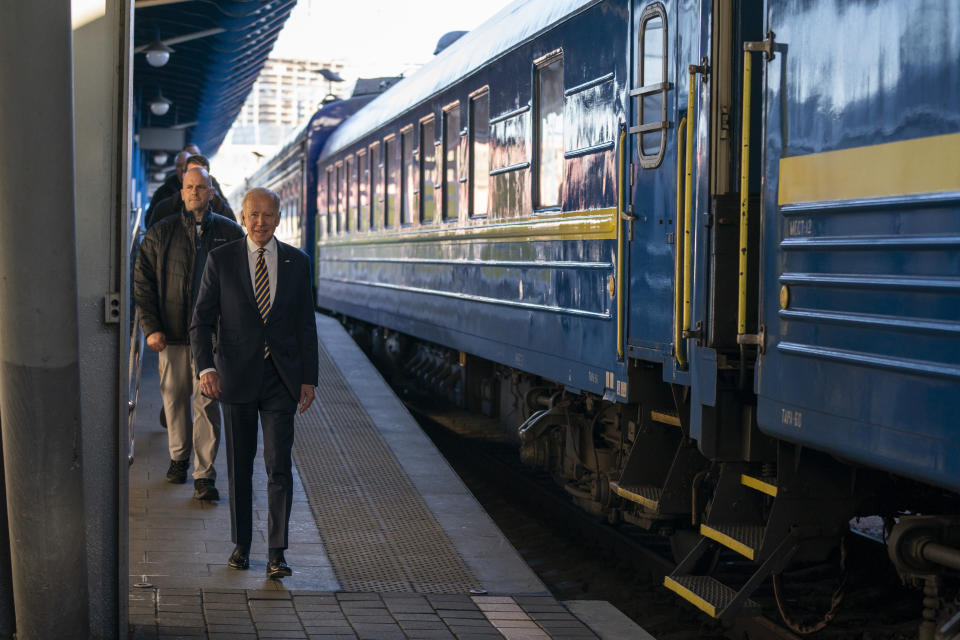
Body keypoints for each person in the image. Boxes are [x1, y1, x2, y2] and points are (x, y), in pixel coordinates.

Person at [190, 187, 318, 579]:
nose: (260, 222)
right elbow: (201, 321)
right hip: (236, 378)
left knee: (279, 467)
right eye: (253, 215)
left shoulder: (297, 262)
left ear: (279, 218)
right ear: (243, 218)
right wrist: (206, 369)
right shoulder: (221, 260)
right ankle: (241, 546)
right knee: (240, 466)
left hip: (281, 379)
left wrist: (308, 379)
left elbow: (305, 326)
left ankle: (277, 553)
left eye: (268, 215)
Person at [134, 167, 244, 500]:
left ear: (212, 193)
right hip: (173, 334)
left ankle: (204, 475)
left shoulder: (230, 233)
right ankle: (178, 458)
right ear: (181, 193)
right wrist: (151, 328)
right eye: (189, 187)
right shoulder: (160, 233)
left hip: (212, 338)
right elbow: (142, 283)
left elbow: (243, 288)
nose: (194, 192)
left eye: (201, 187)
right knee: (174, 399)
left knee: (207, 404)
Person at [148, 154, 236, 226]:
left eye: (201, 174)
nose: (196, 178)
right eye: (192, 173)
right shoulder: (164, 208)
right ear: (183, 176)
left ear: (209, 179)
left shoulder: (221, 209)